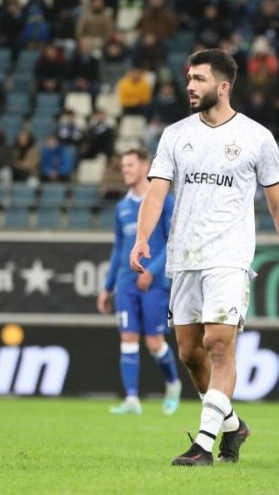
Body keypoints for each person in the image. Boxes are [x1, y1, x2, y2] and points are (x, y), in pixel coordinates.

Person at [130, 49, 279, 466]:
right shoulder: (175, 135)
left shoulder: (256, 138)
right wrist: (141, 238)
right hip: (185, 256)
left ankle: (203, 446)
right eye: (189, 78)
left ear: (223, 87)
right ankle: (233, 425)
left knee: (219, 343)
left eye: (199, 79)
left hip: (230, 256)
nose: (190, 86)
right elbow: (155, 193)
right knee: (191, 353)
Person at [97, 148, 181, 416]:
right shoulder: (121, 208)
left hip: (154, 283)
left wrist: (152, 271)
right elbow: (118, 249)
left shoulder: (164, 201)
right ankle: (132, 399)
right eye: (123, 166)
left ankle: (173, 384)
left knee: (154, 343)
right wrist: (107, 287)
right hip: (126, 282)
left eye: (130, 165)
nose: (126, 170)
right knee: (128, 338)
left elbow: (172, 242)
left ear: (145, 166)